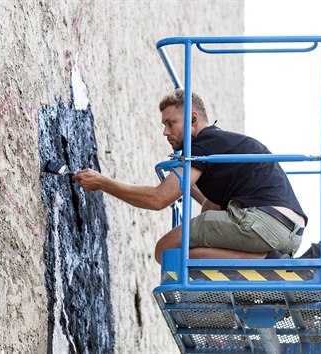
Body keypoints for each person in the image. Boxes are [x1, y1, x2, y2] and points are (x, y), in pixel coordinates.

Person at [72, 89, 307, 264]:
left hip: (261, 222)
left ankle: (266, 260)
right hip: (289, 233)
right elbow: (209, 206)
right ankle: (267, 258)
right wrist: (183, 181)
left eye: (170, 123)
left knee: (166, 251)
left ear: (193, 119)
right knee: (190, 249)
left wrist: (103, 183)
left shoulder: (204, 144)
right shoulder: (221, 148)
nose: (165, 131)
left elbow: (158, 199)